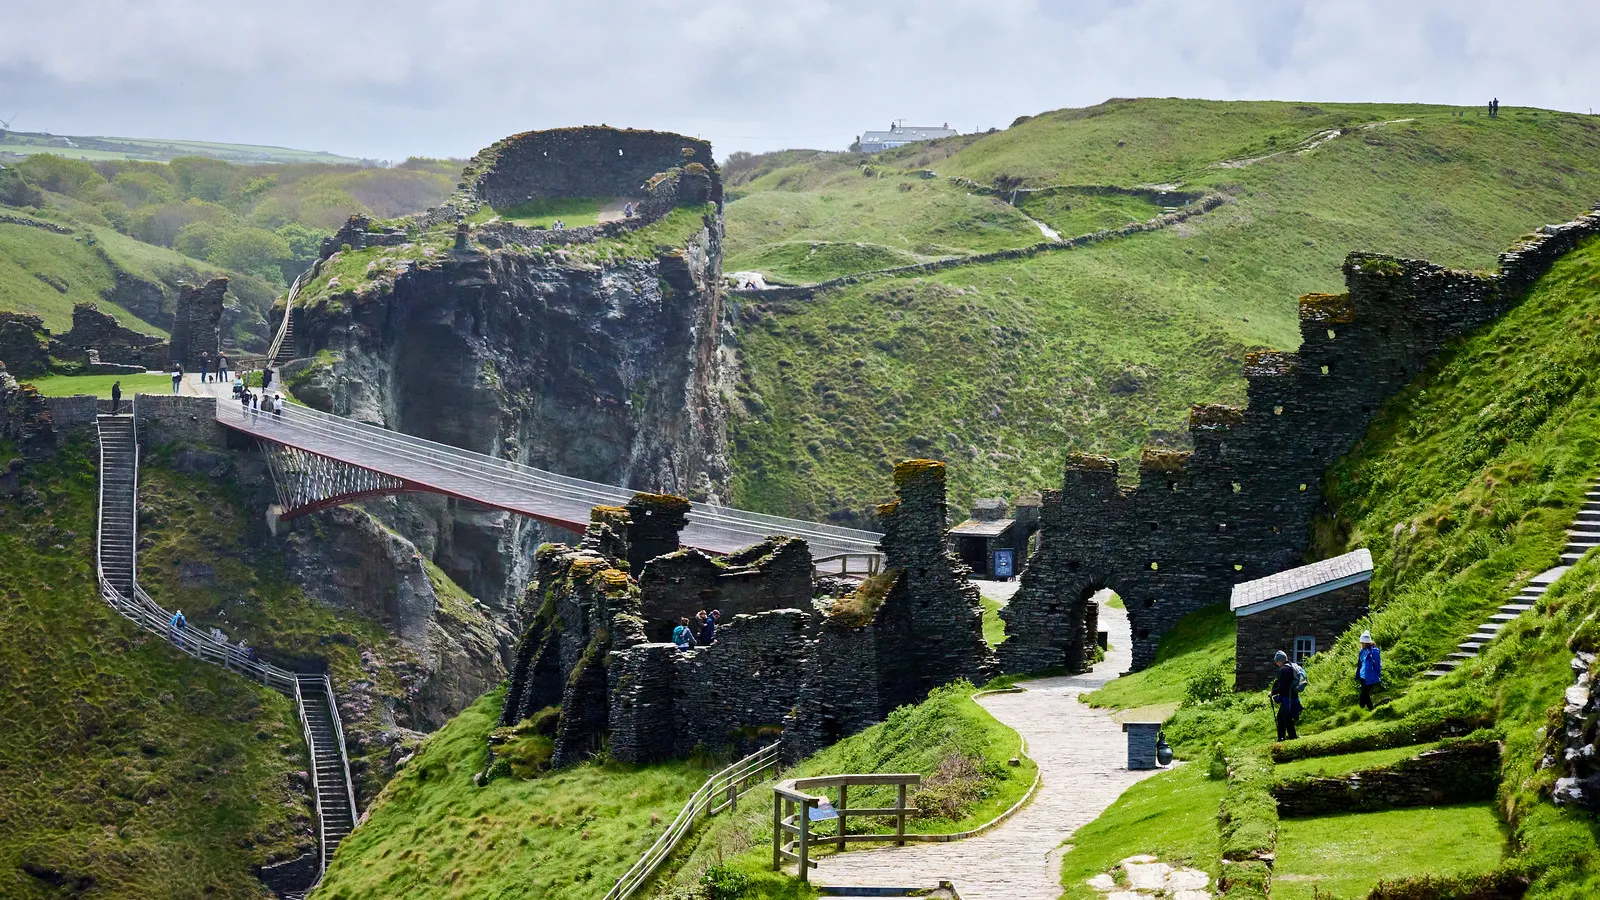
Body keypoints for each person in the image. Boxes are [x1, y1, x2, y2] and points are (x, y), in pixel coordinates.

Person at [1269, 650, 1302, 741]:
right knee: (1284, 718)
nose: (1276, 663)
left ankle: (1286, 737)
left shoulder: (1285, 670)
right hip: (1292, 696)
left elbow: (1283, 687)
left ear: (1280, 660)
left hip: (1288, 697)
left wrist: (1272, 692)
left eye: (1277, 661)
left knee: (1284, 718)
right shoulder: (1291, 666)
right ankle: (1286, 737)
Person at [1356, 631, 1382, 710]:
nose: (1363, 645)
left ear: (1369, 643)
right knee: (1366, 694)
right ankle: (1371, 710)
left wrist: (1377, 674)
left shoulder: (1374, 651)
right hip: (1362, 675)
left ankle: (1360, 709)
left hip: (1370, 676)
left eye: (1365, 643)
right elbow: (1360, 663)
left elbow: (1378, 664)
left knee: (1364, 694)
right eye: (1362, 643)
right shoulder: (1362, 651)